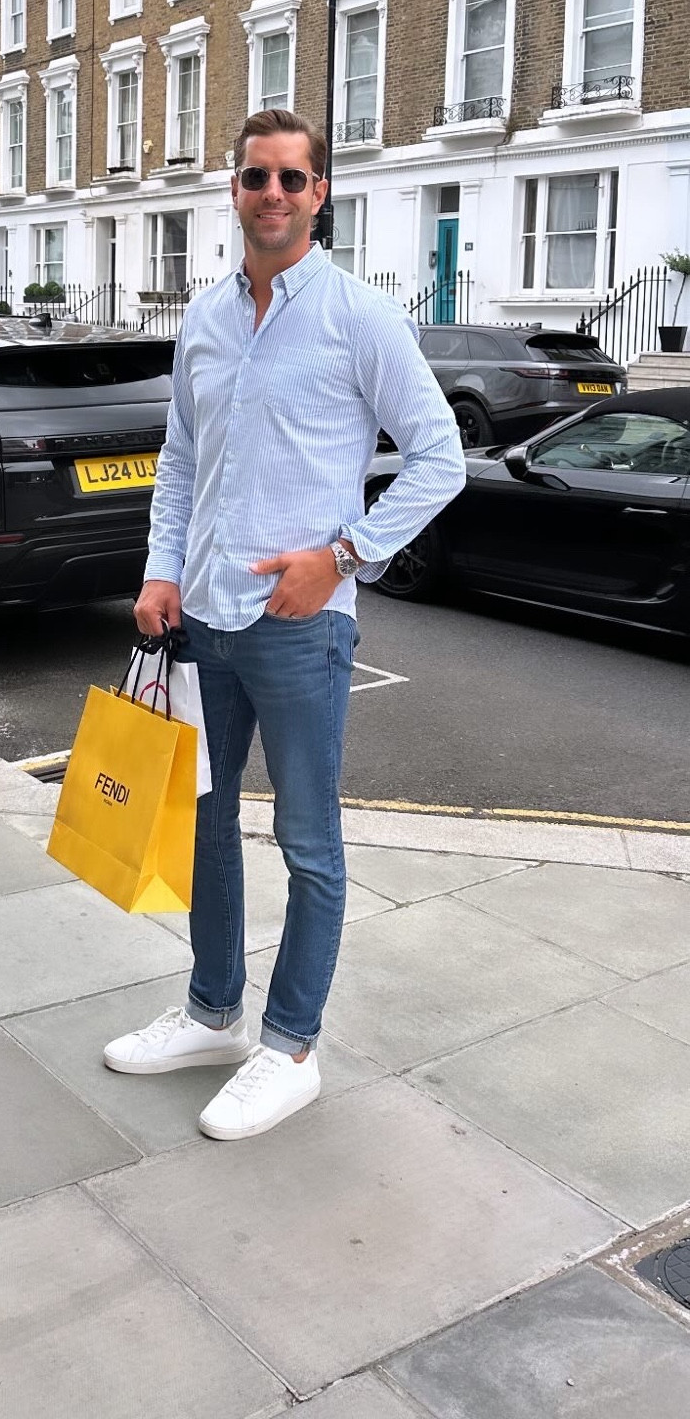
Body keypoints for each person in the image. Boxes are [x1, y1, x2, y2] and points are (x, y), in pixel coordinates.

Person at [103, 108, 466, 1140]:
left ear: (320, 196)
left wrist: (341, 556)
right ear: (235, 188)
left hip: (301, 628)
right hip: (202, 619)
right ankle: (213, 1010)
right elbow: (182, 461)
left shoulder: (360, 316)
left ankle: (290, 1043)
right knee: (206, 825)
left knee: (308, 840)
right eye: (256, 175)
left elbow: (438, 458)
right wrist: (159, 569)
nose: (273, 193)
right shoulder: (207, 320)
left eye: (292, 179)